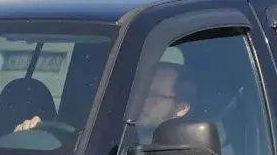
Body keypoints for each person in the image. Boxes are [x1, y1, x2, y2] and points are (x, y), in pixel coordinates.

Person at [12, 60, 192, 140]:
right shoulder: (106, 136)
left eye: (153, 95)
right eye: (140, 92)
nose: (142, 100)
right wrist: (33, 135)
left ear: (182, 108)